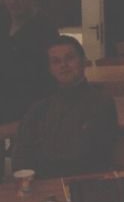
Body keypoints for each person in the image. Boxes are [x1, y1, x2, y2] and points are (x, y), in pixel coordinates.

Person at [12, 35, 118, 178]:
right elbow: (21, 154)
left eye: (70, 58)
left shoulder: (101, 103)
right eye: (56, 61)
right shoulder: (40, 108)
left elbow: (94, 157)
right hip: (42, 184)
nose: (63, 65)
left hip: (85, 182)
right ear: (50, 69)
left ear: (83, 62)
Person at [0, 0, 58, 123]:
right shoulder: (3, 21)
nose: (13, 2)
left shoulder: (45, 27)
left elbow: (48, 71)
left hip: (32, 103)